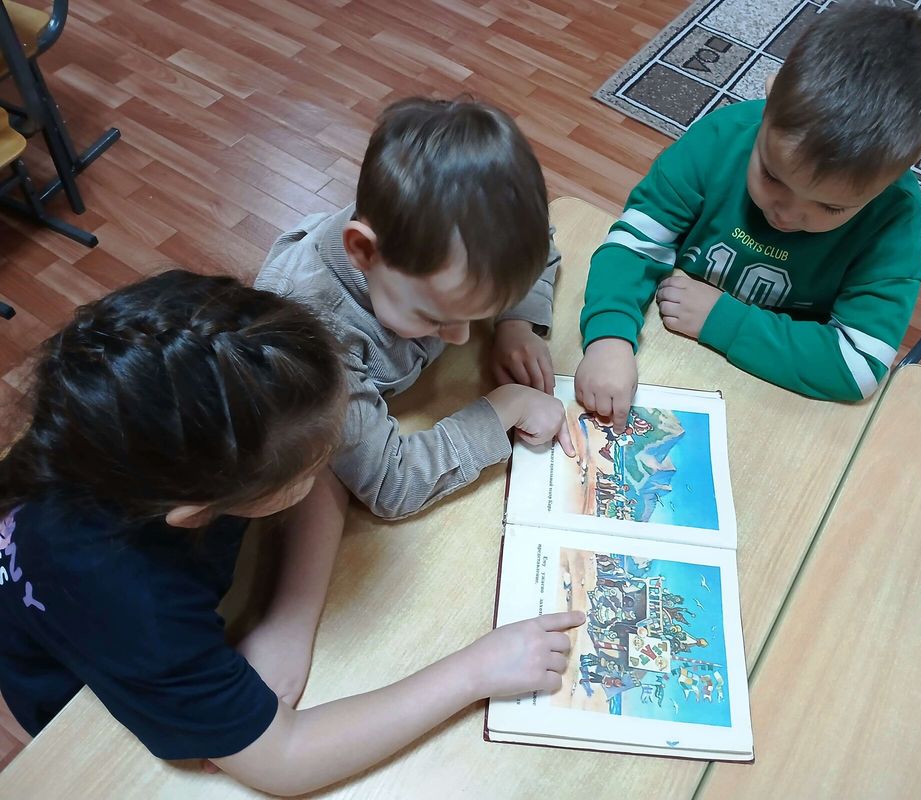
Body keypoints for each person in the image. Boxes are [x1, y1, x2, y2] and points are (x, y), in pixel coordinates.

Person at [0, 270, 582, 796]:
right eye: (312, 462)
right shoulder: (136, 607)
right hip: (77, 700)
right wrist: (476, 670)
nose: (335, 457)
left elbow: (317, 463)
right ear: (199, 511)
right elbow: (284, 760)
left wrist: (289, 620)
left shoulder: (146, 421)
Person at [575, 1, 921, 429]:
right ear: (771, 96)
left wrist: (725, 321)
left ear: (903, 169)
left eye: (830, 207)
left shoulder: (895, 217)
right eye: (773, 176)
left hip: (774, 388)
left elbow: (859, 365)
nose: (786, 214)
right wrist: (608, 335)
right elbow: (635, 243)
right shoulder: (720, 138)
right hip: (672, 346)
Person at [256, 97, 574, 520]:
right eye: (436, 318)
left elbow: (538, 249)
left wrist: (516, 322)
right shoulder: (312, 342)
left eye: (474, 314)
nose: (461, 337)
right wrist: (507, 406)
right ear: (363, 251)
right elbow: (392, 482)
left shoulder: (425, 247)